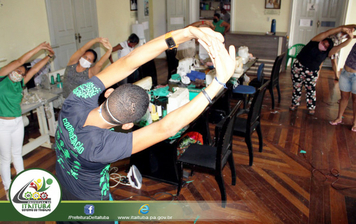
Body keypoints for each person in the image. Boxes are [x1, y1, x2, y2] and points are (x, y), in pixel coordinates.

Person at [54, 26, 236, 211]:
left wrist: (187, 33)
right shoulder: (103, 146)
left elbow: (128, 62)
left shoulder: (74, 101)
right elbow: (165, 129)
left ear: (108, 93)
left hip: (62, 191)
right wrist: (219, 82)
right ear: (127, 125)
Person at [0, 42, 54, 200]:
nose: (19, 73)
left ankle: (22, 183)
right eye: (17, 70)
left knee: (17, 154)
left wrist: (49, 56)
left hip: (17, 123)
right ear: (10, 69)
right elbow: (18, 62)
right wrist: (39, 48)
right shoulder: (2, 79)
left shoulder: (19, 84)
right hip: (2, 125)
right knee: (5, 158)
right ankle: (8, 188)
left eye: (22, 73)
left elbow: (35, 69)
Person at [289, 26, 354, 115]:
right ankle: (294, 104)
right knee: (296, 87)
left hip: (311, 73)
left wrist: (350, 38)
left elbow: (340, 46)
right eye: (323, 43)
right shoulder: (313, 42)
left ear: (328, 49)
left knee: (310, 90)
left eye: (326, 46)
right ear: (321, 40)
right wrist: (340, 29)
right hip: (298, 68)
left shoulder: (328, 52)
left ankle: (311, 108)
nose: (323, 45)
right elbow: (327, 33)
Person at [329, 43, 356, 132]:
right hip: (345, 73)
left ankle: (355, 122)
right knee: (344, 97)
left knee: (355, 100)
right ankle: (339, 118)